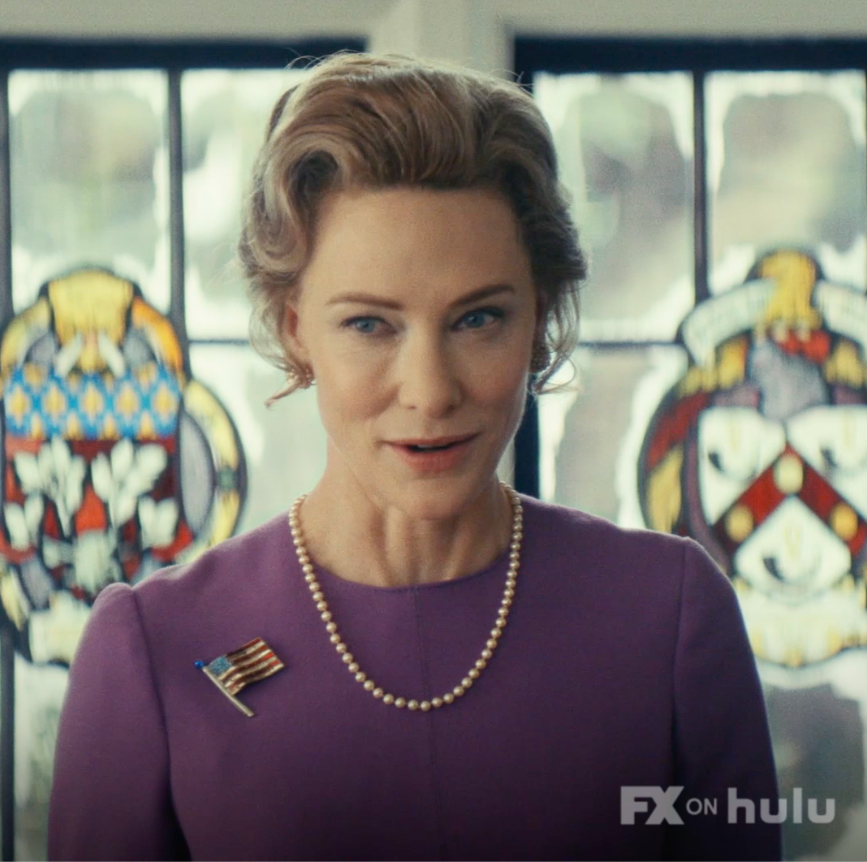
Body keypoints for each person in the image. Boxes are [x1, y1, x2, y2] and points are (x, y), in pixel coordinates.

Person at [48, 52, 781, 861]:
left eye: (478, 319)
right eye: (369, 324)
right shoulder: (154, 648)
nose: (429, 392)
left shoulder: (669, 619)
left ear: (539, 316)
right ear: (294, 328)